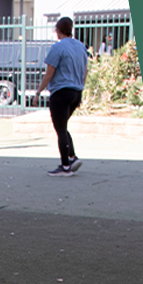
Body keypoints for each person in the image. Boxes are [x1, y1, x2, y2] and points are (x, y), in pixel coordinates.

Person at [39, 17, 88, 177]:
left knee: (60, 129)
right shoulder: (80, 47)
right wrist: (81, 88)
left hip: (61, 91)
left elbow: (49, 74)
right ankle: (72, 157)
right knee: (63, 125)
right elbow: (85, 71)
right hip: (76, 91)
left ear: (58, 30)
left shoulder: (57, 48)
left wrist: (39, 91)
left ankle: (65, 165)